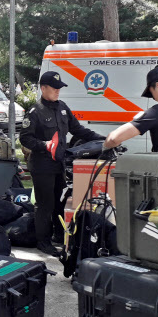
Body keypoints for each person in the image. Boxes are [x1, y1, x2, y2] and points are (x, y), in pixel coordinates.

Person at [20, 71, 105, 257]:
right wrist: (44, 145)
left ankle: (59, 235)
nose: (58, 91)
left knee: (59, 202)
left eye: (60, 88)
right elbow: (25, 138)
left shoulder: (63, 108)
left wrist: (103, 139)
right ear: (44, 88)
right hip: (42, 165)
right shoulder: (35, 112)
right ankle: (43, 241)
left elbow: (78, 129)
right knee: (45, 204)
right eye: (55, 88)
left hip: (59, 164)